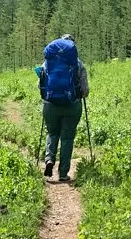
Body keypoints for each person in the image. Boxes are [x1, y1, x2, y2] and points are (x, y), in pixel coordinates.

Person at [37, 34, 89, 181]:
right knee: (67, 138)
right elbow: (85, 90)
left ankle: (49, 160)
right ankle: (63, 173)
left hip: (50, 106)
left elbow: (40, 86)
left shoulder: (47, 63)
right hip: (72, 106)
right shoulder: (78, 64)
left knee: (52, 133)